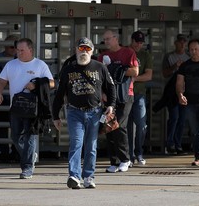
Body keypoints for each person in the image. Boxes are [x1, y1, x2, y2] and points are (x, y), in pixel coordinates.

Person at [52, 37, 116, 189]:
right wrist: (55, 116)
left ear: (92, 51)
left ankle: (88, 176)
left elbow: (111, 87)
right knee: (76, 143)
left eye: (87, 49)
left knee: (91, 145)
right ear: (76, 50)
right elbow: (60, 94)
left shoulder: (100, 67)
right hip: (74, 112)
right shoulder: (68, 69)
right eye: (81, 48)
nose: (84, 52)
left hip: (95, 112)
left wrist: (111, 106)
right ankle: (74, 176)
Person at [0, 38, 55, 179]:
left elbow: (52, 83)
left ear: (30, 50)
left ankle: (27, 168)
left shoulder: (40, 65)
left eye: (22, 50)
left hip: (33, 108)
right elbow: (1, 81)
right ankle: (30, 155)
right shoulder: (11, 64)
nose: (19, 53)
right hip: (16, 107)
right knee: (15, 137)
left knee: (30, 137)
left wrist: (36, 84)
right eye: (17, 50)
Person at [97, 30, 139, 173]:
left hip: (126, 95)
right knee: (109, 125)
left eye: (108, 39)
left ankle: (125, 159)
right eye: (104, 40)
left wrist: (118, 68)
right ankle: (114, 161)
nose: (106, 42)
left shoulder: (128, 53)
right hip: (108, 97)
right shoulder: (102, 56)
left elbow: (135, 72)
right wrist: (102, 93)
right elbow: (98, 78)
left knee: (118, 125)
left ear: (116, 38)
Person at [176, 38, 199, 166]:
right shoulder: (185, 65)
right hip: (190, 103)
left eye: (196, 49)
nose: (193, 52)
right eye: (191, 50)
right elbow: (179, 82)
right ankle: (197, 157)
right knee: (195, 130)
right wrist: (180, 94)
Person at [0, 34, 19, 161]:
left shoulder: (21, 60)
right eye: (10, 47)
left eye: (14, 47)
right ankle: (4, 154)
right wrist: (5, 83)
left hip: (16, 99)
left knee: (17, 126)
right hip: (2, 98)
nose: (12, 49)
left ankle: (16, 153)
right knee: (1, 127)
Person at [127, 31, 153, 166]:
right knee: (128, 127)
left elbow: (149, 76)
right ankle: (130, 155)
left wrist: (133, 79)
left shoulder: (145, 54)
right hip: (126, 95)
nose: (139, 44)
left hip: (139, 95)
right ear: (131, 40)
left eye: (141, 42)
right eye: (137, 41)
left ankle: (139, 152)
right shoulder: (125, 52)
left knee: (141, 125)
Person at [162, 34, 190, 154]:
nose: (182, 44)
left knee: (182, 119)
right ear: (176, 43)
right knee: (174, 117)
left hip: (185, 91)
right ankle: (170, 144)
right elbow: (165, 73)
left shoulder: (188, 57)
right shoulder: (169, 56)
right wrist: (175, 66)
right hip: (172, 92)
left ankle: (178, 144)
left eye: (184, 42)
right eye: (180, 42)